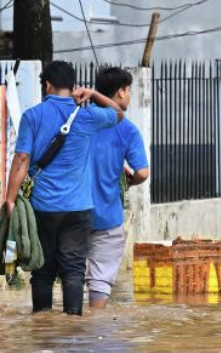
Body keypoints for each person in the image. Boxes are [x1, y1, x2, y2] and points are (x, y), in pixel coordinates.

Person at [4, 60, 124, 316]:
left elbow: (21, 160)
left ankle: (43, 325)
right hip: (79, 208)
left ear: (47, 85)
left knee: (43, 270)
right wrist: (92, 94)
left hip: (43, 207)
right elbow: (119, 112)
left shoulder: (32, 116)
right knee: (73, 269)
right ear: (72, 86)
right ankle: (74, 327)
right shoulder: (88, 115)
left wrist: (10, 200)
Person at [87, 67, 150, 309]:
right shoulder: (128, 129)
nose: (129, 96)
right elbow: (142, 172)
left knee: (70, 277)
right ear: (120, 92)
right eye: (129, 90)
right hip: (107, 217)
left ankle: (66, 334)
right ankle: (96, 333)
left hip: (72, 213)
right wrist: (129, 180)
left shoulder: (81, 119)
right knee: (100, 284)